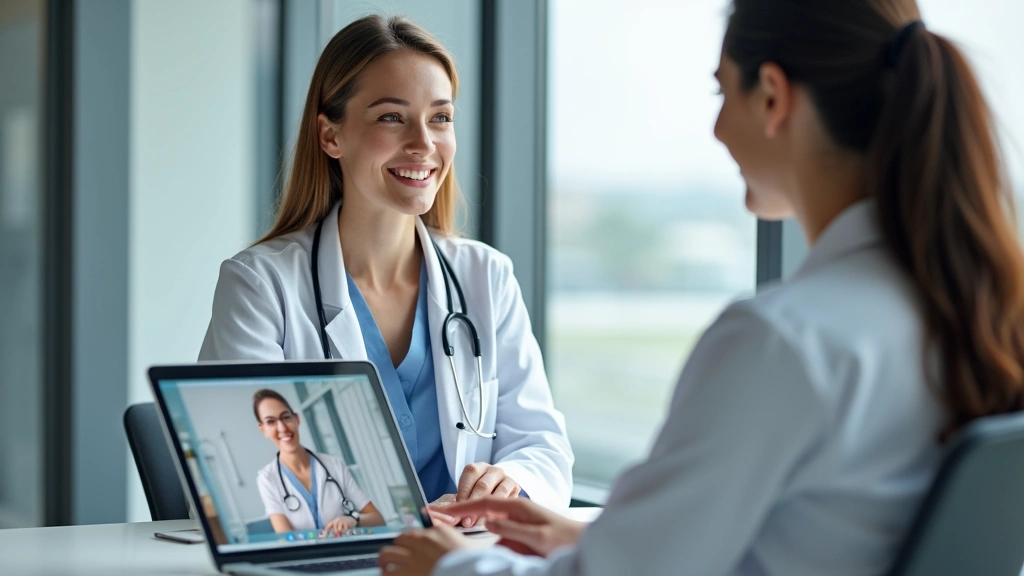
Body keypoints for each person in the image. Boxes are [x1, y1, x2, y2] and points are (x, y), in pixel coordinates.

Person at [377, 0, 1024, 574]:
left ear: (772, 96)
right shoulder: (968, 308)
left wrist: (456, 568)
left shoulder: (781, 341)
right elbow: (827, 531)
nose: (717, 129)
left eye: (722, 94)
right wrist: (598, 533)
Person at [198, 15, 572, 523]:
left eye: (440, 118)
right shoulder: (261, 285)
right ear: (331, 136)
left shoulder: (486, 276)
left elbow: (543, 447)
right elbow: (242, 480)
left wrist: (511, 481)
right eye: (392, 118)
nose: (423, 143)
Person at [253, 389, 385, 536]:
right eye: (271, 422)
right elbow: (286, 539)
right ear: (263, 429)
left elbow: (378, 519)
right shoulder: (267, 479)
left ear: (296, 419)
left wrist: (353, 519)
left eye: (286, 417)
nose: (282, 428)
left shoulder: (334, 466)